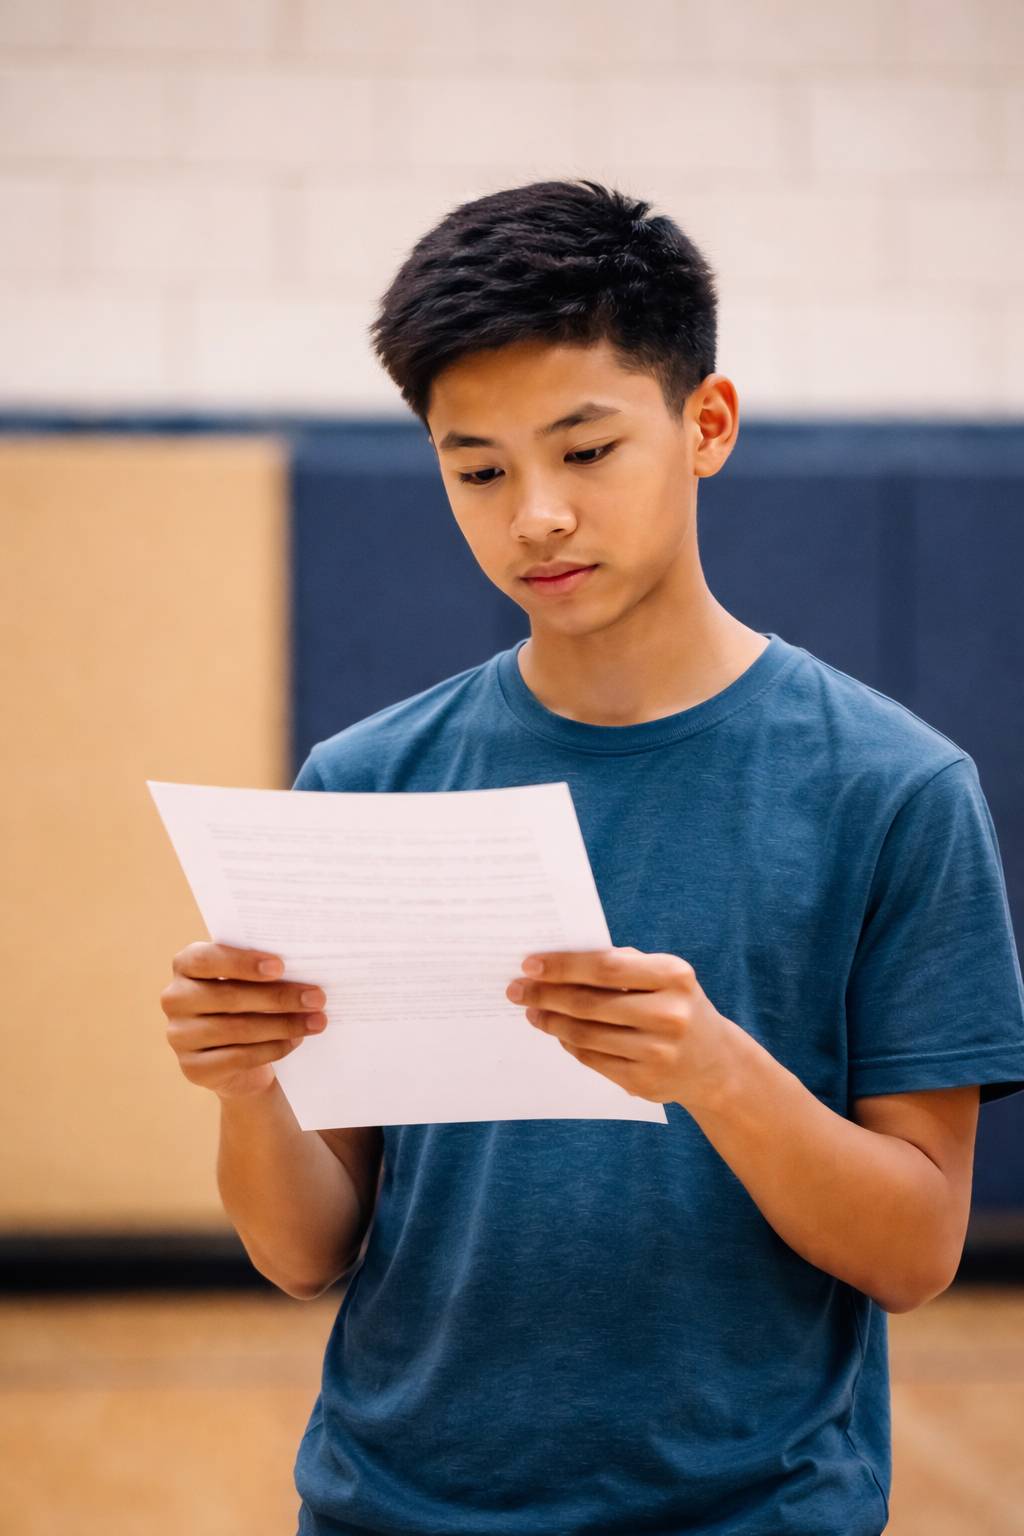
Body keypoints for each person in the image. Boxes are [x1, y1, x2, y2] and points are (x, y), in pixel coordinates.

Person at [160, 178, 1024, 1536]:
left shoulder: (895, 791)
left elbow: (916, 1253)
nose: (537, 516)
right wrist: (248, 1087)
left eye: (586, 449)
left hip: (752, 1514)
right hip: (392, 1507)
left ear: (707, 426)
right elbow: (304, 1249)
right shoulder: (365, 781)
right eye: (480, 469)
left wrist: (717, 1072)